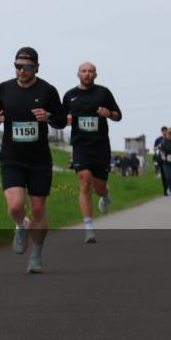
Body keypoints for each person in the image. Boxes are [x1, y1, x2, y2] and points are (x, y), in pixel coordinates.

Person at [0, 47, 67, 273]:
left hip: (39, 160)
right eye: (18, 66)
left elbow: (61, 120)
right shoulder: (4, 88)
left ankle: (36, 257)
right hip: (12, 157)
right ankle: (20, 225)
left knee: (38, 209)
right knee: (15, 206)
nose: (22, 70)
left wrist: (49, 116)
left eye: (27, 67)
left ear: (36, 67)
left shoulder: (48, 91)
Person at [62, 62, 122, 243]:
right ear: (78, 74)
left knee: (99, 187)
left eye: (90, 72)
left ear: (95, 75)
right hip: (80, 146)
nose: (87, 74)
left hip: (101, 146)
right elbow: (59, 120)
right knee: (84, 182)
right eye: (84, 71)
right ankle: (89, 227)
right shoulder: (70, 96)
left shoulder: (103, 93)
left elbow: (118, 115)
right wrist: (66, 120)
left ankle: (105, 195)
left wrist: (108, 114)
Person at [153, 126, 169, 196]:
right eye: (163, 131)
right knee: (163, 175)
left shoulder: (170, 138)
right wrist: (158, 146)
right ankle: (165, 189)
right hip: (162, 158)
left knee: (169, 174)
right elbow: (154, 149)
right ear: (162, 132)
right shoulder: (158, 139)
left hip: (170, 158)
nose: (165, 132)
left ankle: (170, 187)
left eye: (166, 131)